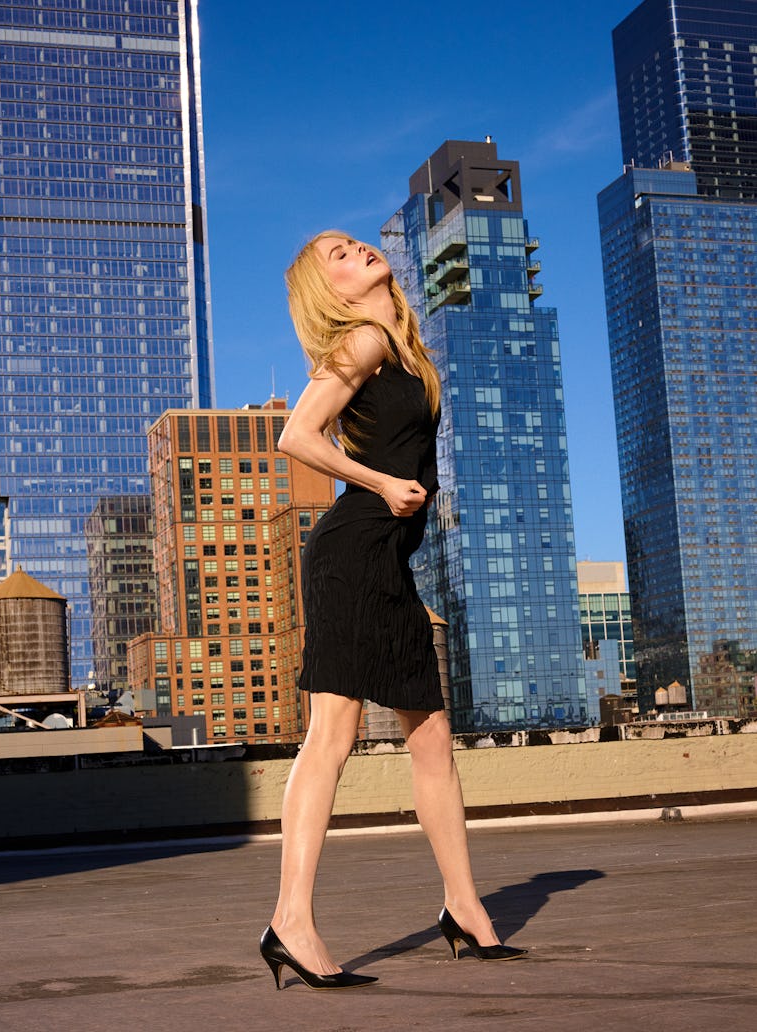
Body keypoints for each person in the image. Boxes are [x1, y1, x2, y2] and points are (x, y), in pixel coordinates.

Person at [259, 232, 527, 991]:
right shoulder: (365, 340)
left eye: (352, 243)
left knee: (433, 736)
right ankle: (291, 921)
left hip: (390, 562)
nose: (355, 251)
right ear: (329, 291)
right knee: (332, 734)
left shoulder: (404, 351)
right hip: (351, 553)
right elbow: (295, 436)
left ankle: (465, 907)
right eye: (335, 256)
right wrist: (378, 483)